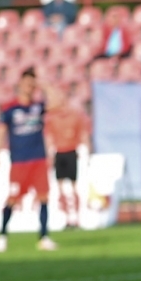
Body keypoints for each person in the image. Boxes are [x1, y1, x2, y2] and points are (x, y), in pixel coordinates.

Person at [0, 67, 57, 252]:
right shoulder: (10, 108)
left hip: (39, 159)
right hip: (19, 161)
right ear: (20, 84)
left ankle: (44, 237)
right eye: (27, 83)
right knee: (13, 199)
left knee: (43, 197)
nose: (30, 87)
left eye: (32, 84)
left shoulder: (37, 107)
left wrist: (44, 85)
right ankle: (2, 235)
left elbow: (58, 102)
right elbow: (1, 131)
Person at [44, 91, 91, 228]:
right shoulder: (52, 118)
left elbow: (83, 134)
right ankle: (65, 218)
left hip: (71, 152)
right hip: (59, 152)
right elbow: (49, 137)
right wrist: (49, 155)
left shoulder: (75, 116)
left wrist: (86, 151)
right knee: (60, 188)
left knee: (74, 186)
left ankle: (76, 217)